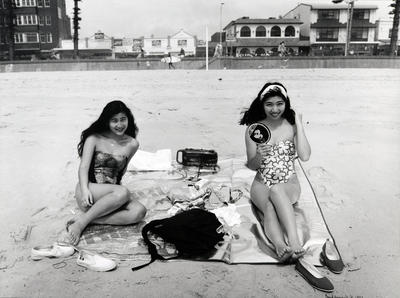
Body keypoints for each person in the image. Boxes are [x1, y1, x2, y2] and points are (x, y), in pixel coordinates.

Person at [239, 82, 311, 262]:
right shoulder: (254, 130)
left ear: (286, 103)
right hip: (261, 183)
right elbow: (252, 166)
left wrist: (299, 125)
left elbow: (304, 156)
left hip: (289, 183)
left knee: (278, 189)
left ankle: (294, 242)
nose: (275, 109)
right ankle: (279, 244)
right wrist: (259, 157)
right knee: (270, 206)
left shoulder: (291, 126)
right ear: (262, 104)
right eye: (269, 104)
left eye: (279, 103)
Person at [62, 100, 147, 245]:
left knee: (140, 211)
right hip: (90, 191)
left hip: (112, 196)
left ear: (129, 119)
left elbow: (122, 170)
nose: (119, 124)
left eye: (122, 119)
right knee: (123, 192)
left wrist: (116, 196)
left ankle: (90, 219)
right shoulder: (94, 138)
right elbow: (83, 167)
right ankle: (80, 225)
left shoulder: (132, 144)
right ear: (107, 121)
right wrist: (84, 189)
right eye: (114, 120)